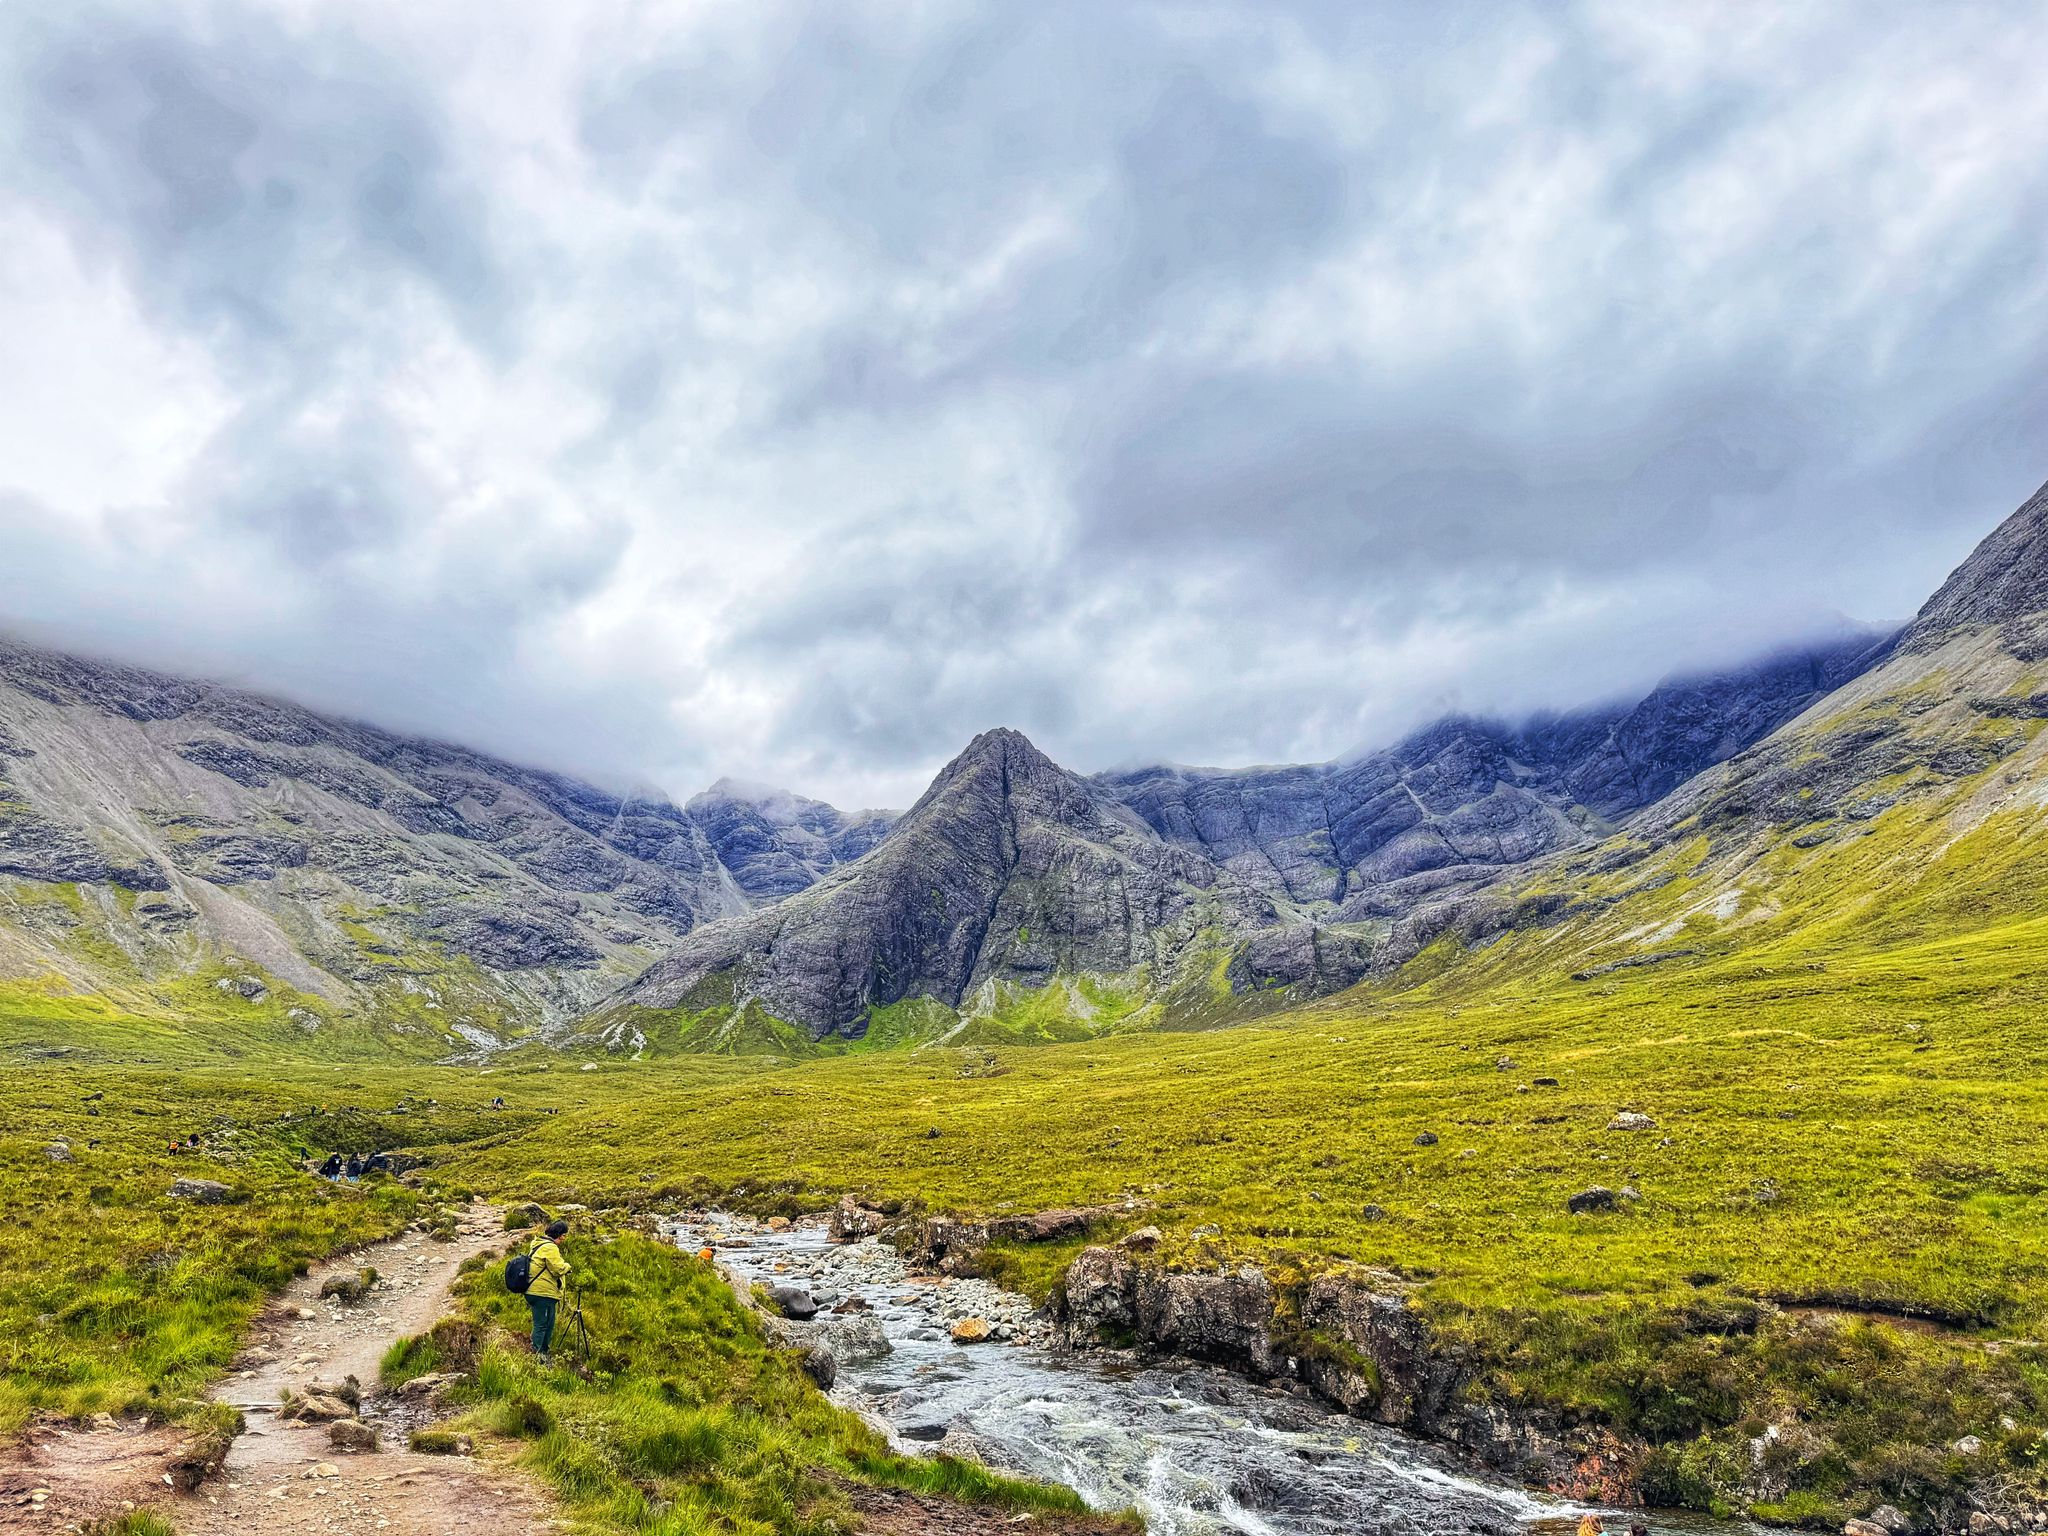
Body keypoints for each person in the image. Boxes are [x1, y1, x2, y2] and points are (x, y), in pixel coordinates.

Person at [525, 1220, 571, 1363]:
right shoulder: (550, 1248)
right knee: (542, 1324)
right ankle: (538, 1355)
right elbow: (557, 1268)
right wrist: (568, 1266)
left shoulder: (539, 1244)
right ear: (558, 1234)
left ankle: (543, 1352)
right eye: (563, 1235)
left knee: (548, 1323)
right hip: (541, 1293)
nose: (563, 1239)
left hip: (540, 1292)